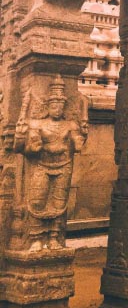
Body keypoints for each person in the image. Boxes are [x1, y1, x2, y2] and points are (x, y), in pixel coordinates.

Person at [14, 75, 87, 252]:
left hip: (63, 165)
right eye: (53, 105)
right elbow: (21, 147)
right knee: (37, 200)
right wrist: (33, 145)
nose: (57, 109)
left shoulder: (70, 124)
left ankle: (54, 237)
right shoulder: (37, 124)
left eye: (60, 106)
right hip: (42, 165)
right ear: (48, 106)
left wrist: (80, 139)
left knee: (59, 202)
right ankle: (36, 238)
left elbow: (77, 143)